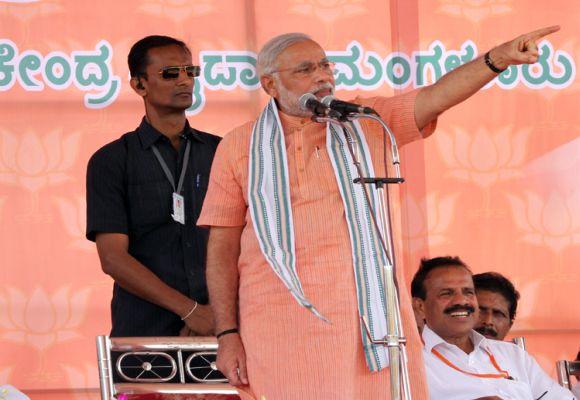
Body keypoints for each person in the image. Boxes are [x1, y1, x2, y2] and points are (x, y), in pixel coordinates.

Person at [198, 27, 560, 400]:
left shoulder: (367, 123)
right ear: (270, 84)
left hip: (368, 324)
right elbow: (222, 248)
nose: (322, 76)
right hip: (280, 326)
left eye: (325, 65)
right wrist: (227, 334)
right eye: (305, 69)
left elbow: (435, 98)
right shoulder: (238, 146)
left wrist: (496, 59)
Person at [86, 35, 220, 337]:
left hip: (219, 329)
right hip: (144, 333)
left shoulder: (221, 153)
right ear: (139, 85)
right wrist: (190, 310)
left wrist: (216, 314)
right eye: (170, 73)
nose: (184, 80)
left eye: (191, 71)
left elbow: (243, 245)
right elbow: (112, 258)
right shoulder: (110, 160)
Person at [411, 256, 575, 400]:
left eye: (468, 292)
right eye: (446, 293)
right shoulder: (410, 364)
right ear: (420, 307)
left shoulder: (514, 355)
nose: (461, 301)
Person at [474, 272, 520, 340]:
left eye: (498, 314)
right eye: (480, 311)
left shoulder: (516, 351)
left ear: (509, 326)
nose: (488, 321)